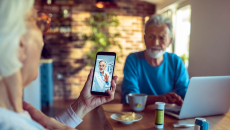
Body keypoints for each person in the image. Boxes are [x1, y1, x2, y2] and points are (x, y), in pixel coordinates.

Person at [0, 0, 117, 130]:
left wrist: (83, 105)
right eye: (40, 21)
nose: (44, 33)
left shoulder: (11, 116)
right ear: (19, 45)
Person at [122, 14, 189, 106]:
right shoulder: (133, 59)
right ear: (144, 38)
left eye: (162, 38)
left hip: (167, 115)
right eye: (151, 37)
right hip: (137, 115)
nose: (156, 43)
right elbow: (129, 97)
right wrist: (159, 99)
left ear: (169, 41)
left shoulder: (176, 61)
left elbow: (185, 94)